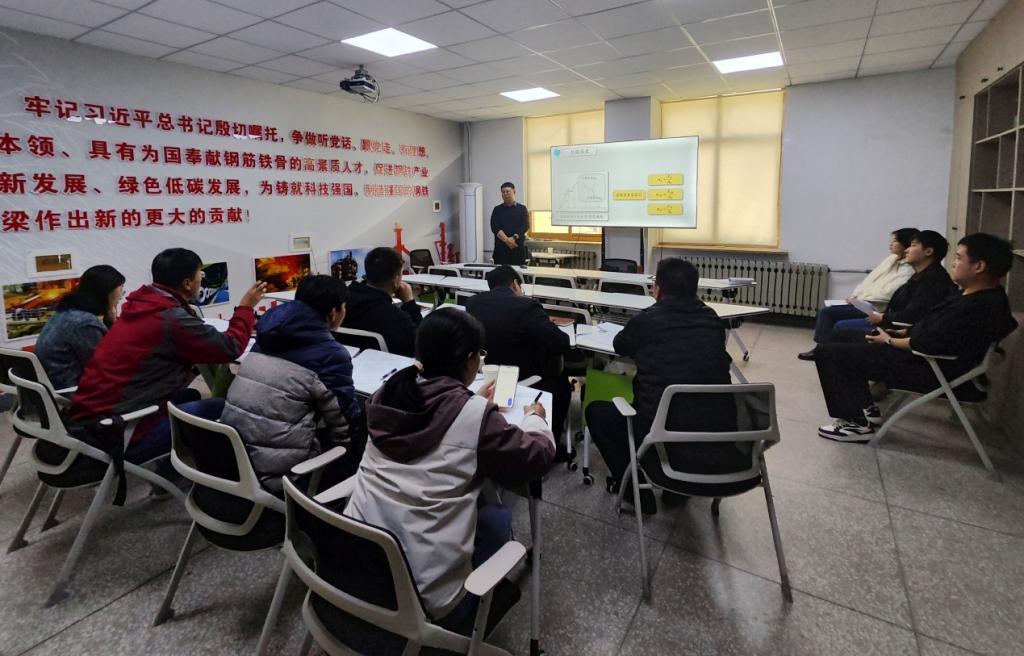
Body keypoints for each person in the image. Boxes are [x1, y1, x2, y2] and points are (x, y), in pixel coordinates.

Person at [343, 308, 554, 631]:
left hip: (355, 569)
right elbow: (535, 457)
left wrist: (467, 401)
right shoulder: (475, 416)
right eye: (479, 355)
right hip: (429, 604)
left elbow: (438, 416)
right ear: (470, 359)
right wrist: (534, 418)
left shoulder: (388, 393)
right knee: (498, 517)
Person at [815, 233, 1018, 442]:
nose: (953, 263)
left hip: (931, 369)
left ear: (979, 267)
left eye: (959, 258)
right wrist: (900, 333)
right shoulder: (973, 296)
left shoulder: (979, 306)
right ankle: (865, 406)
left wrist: (889, 340)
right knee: (846, 336)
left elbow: (928, 342)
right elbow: (932, 326)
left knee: (830, 353)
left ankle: (856, 425)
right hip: (925, 358)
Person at [71, 248, 265, 463]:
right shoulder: (170, 318)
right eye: (200, 275)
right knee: (227, 408)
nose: (201, 279)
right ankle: (208, 472)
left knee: (190, 396)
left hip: (94, 419)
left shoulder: (142, 305)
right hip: (117, 432)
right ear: (187, 283)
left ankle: (172, 467)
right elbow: (230, 347)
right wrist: (246, 308)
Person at [585, 258, 745, 514]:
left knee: (598, 412)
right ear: (694, 289)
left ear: (657, 289)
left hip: (659, 436)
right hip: (717, 439)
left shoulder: (648, 321)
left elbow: (620, 345)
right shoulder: (712, 320)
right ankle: (676, 492)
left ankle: (638, 494)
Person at [221, 275, 364, 494]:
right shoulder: (331, 355)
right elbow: (344, 424)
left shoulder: (267, 334)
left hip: (231, 456)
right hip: (279, 474)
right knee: (359, 448)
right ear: (333, 313)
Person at [465, 265, 572, 437]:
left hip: (489, 374)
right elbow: (561, 343)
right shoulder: (527, 306)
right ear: (515, 284)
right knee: (563, 385)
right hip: (524, 377)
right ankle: (552, 440)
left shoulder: (473, 303)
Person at [798, 228, 917, 360]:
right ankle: (821, 348)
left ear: (905, 244)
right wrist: (855, 296)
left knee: (838, 322)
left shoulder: (909, 269)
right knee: (826, 311)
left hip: (877, 308)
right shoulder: (891, 260)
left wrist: (860, 298)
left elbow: (888, 293)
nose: (890, 244)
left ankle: (826, 351)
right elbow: (870, 280)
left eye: (894, 241)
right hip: (864, 303)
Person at [829, 230, 957, 339]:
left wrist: (883, 317)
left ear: (928, 251)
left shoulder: (933, 281)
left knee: (841, 328)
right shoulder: (920, 275)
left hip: (896, 330)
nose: (907, 250)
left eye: (913, 246)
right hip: (889, 321)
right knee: (835, 321)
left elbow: (913, 314)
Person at [35, 265, 125, 390]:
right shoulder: (85, 323)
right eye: (121, 289)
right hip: (72, 389)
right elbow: (106, 364)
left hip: (55, 384)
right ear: (107, 292)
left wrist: (110, 320)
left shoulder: (67, 312)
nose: (121, 296)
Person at [343, 246, 422, 356]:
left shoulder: (342, 302)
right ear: (396, 280)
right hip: (389, 362)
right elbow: (420, 342)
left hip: (352, 359)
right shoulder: (396, 318)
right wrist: (409, 303)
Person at [490, 182, 529, 266]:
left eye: (507, 191)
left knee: (517, 273)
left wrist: (514, 238)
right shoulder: (497, 209)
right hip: (501, 250)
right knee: (501, 273)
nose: (505, 194)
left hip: (517, 249)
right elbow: (495, 227)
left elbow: (525, 225)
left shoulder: (522, 209)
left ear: (514, 192)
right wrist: (507, 240)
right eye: (503, 192)